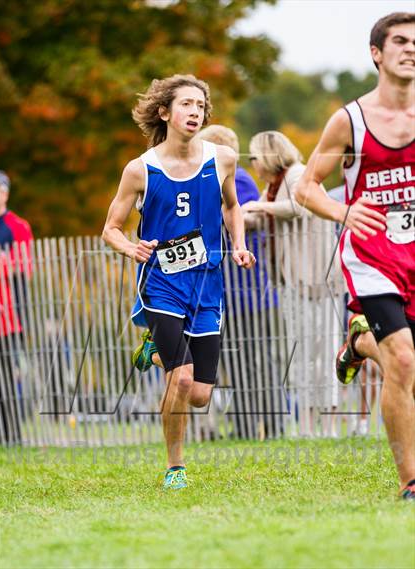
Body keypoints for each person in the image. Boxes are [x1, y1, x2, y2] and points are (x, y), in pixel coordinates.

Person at [102, 74, 255, 489]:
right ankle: (175, 467)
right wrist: (129, 248)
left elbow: (233, 206)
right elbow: (110, 228)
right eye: (187, 104)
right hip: (162, 283)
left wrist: (238, 244)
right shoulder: (140, 169)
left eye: (201, 106)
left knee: (201, 393)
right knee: (182, 378)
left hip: (207, 284)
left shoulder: (223, 158)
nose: (195, 112)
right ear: (165, 112)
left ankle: (153, 350)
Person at [296, 12, 415, 500]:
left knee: (405, 361)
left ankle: (358, 345)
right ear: (376, 54)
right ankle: (411, 482)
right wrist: (344, 211)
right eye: (401, 42)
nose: (411, 50)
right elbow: (306, 188)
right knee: (405, 362)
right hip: (373, 256)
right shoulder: (350, 120)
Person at [243, 132, 341, 438]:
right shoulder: (271, 187)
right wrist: (232, 214)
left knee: (323, 352)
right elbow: (256, 220)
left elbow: (298, 207)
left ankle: (329, 426)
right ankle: (308, 426)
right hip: (291, 281)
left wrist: (258, 208)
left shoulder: (299, 175)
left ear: (269, 154)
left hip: (317, 279)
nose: (254, 163)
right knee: (300, 353)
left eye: (255, 156)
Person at [198, 125, 275, 440]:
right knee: (233, 362)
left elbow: (237, 220)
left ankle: (272, 426)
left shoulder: (238, 180)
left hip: (249, 292)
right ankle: (243, 427)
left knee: (256, 362)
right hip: (228, 292)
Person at [0, 169, 34, 445]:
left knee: (7, 380)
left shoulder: (17, 226)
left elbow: (25, 269)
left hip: (9, 318)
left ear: (5, 193)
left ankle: (11, 436)